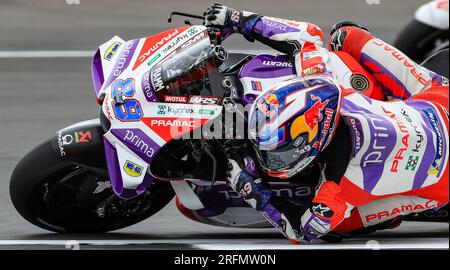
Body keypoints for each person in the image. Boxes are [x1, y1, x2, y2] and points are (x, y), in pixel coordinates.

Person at [204, 3, 449, 243]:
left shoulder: (338, 189)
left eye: (283, 153)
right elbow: (305, 35)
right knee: (345, 35)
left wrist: (250, 187)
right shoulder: (328, 86)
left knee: (339, 226)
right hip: (440, 102)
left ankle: (397, 215)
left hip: (441, 185)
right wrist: (237, 19)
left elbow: (302, 231)